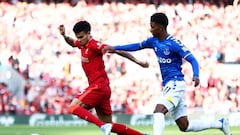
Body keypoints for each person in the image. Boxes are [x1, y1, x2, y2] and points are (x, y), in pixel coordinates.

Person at [103, 12, 232, 135]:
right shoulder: (152, 41)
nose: (150, 29)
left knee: (158, 111)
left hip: (176, 83)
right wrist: (115, 48)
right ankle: (220, 124)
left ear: (160, 27)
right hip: (169, 85)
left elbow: (192, 59)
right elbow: (136, 46)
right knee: (184, 126)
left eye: (152, 27)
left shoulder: (173, 43)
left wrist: (196, 75)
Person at [58, 20, 150, 135]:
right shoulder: (82, 44)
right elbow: (72, 42)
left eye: (81, 37)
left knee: (72, 107)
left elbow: (116, 50)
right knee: (110, 125)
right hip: (103, 89)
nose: (79, 40)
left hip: (98, 86)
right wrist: (64, 35)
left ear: (88, 33)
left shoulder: (94, 45)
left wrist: (139, 62)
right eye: (78, 37)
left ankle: (102, 126)